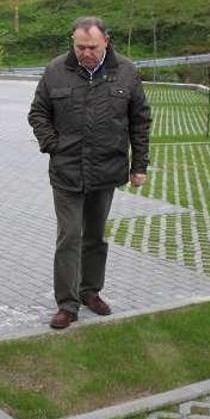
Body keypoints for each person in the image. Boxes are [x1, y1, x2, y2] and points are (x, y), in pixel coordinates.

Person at [28, 16, 151, 329]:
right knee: (69, 236)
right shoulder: (56, 70)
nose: (86, 53)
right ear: (73, 42)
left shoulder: (126, 71)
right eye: (80, 46)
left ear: (106, 41)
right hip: (66, 172)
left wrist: (139, 166)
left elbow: (140, 120)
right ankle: (67, 305)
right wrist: (53, 144)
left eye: (92, 47)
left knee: (95, 236)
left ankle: (90, 292)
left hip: (106, 171)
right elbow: (38, 113)